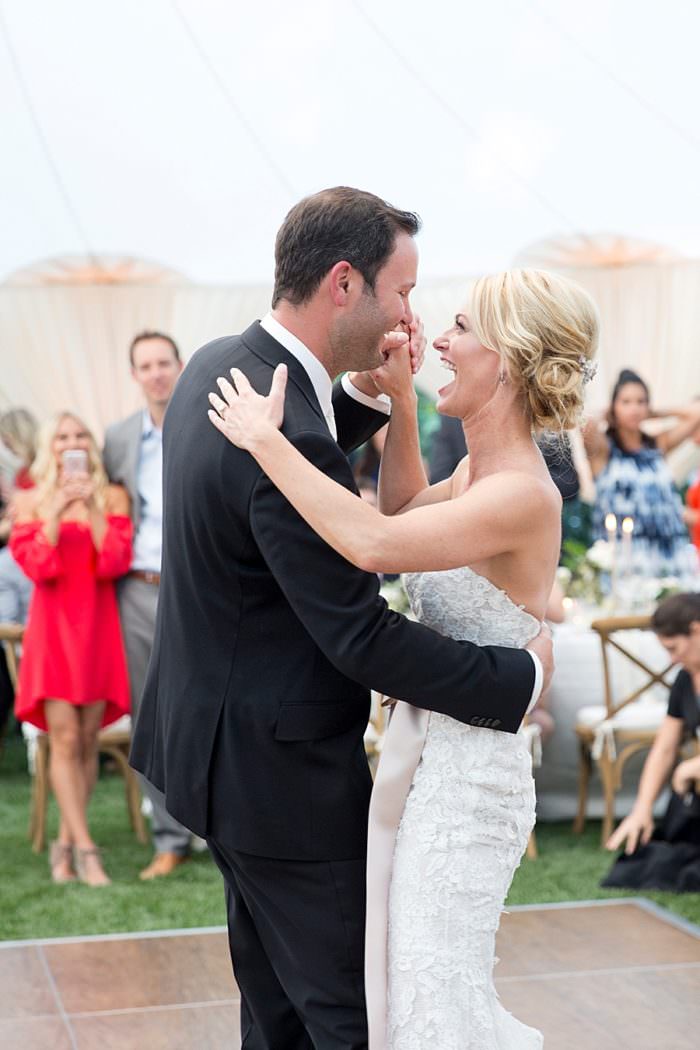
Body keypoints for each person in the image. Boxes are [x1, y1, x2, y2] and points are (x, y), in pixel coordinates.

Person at [131, 187, 553, 1050]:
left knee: (276, 1012)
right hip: (285, 780)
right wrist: (517, 679)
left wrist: (376, 405)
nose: (414, 316)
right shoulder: (278, 423)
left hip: (213, 751)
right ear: (343, 284)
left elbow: (324, 473)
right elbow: (357, 632)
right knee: (343, 1017)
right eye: (402, 290)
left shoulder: (219, 368)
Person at [209, 262, 598, 1048]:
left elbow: (374, 541)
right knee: (408, 994)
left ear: (513, 360)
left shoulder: (524, 491)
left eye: (461, 330)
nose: (440, 342)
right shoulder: (474, 474)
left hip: (470, 792)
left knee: (433, 1003)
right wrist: (396, 406)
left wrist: (267, 441)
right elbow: (401, 511)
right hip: (430, 768)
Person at [10, 412, 131, 885]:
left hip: (99, 628)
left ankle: (63, 843)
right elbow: (39, 567)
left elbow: (115, 562)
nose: (72, 442)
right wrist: (56, 511)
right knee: (63, 739)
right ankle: (86, 849)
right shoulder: (30, 501)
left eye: (80, 434)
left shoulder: (113, 496)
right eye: (62, 436)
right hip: (53, 631)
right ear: (50, 446)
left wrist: (93, 508)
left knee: (86, 740)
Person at [103, 330, 191, 881]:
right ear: (134, 375)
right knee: (148, 713)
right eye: (146, 365)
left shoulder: (207, 420)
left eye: (164, 363)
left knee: (206, 703)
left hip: (195, 585)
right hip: (136, 588)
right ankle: (169, 837)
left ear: (180, 366)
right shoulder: (116, 439)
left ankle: (217, 824)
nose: (156, 373)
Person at [604, 592, 700, 892]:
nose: (672, 659)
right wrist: (642, 809)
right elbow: (665, 748)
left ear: (696, 629)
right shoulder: (685, 680)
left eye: (674, 648)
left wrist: (691, 768)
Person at [585, 369, 700, 576]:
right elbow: (585, 423)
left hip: (669, 553)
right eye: (626, 402)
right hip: (624, 558)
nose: (635, 409)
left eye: (641, 402)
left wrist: (657, 413)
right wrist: (609, 414)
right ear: (614, 406)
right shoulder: (604, 450)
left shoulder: (658, 445)